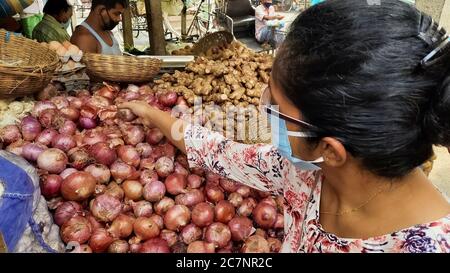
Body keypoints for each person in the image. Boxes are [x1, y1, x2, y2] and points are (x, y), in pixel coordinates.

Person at [120, 0, 450, 253]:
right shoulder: (305, 174)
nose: (262, 104)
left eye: (275, 104)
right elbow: (218, 151)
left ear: (330, 149)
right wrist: (153, 115)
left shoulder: (429, 244)